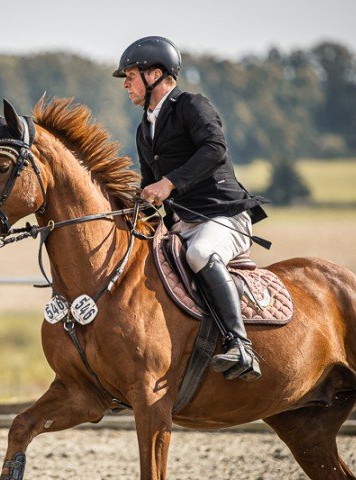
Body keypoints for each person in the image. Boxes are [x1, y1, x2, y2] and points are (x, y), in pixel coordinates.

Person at [113, 36, 268, 381]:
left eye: (130, 75)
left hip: (224, 217)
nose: (125, 83)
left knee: (199, 253)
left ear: (155, 74)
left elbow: (215, 149)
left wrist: (168, 184)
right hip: (182, 224)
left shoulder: (191, 105)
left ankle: (241, 345)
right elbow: (149, 184)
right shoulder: (144, 129)